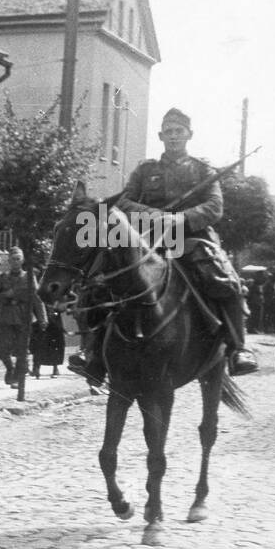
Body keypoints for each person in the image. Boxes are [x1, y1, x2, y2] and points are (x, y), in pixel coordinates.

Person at [70, 107, 259, 383]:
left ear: (189, 135)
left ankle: (237, 349)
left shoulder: (202, 169)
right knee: (102, 280)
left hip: (192, 239)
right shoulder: (146, 170)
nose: (173, 137)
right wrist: (156, 216)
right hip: (147, 239)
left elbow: (215, 207)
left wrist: (180, 219)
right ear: (161, 136)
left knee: (226, 281)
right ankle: (93, 353)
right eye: (168, 132)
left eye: (178, 131)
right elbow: (124, 201)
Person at [0, 246, 44, 385]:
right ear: (8, 261)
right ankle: (10, 368)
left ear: (22, 261)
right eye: (13, 259)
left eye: (18, 259)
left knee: (22, 350)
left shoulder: (29, 277)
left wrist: (42, 318)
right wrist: (6, 294)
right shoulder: (2, 277)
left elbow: (37, 299)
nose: (15, 262)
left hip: (23, 316)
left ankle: (17, 378)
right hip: (6, 316)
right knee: (2, 349)